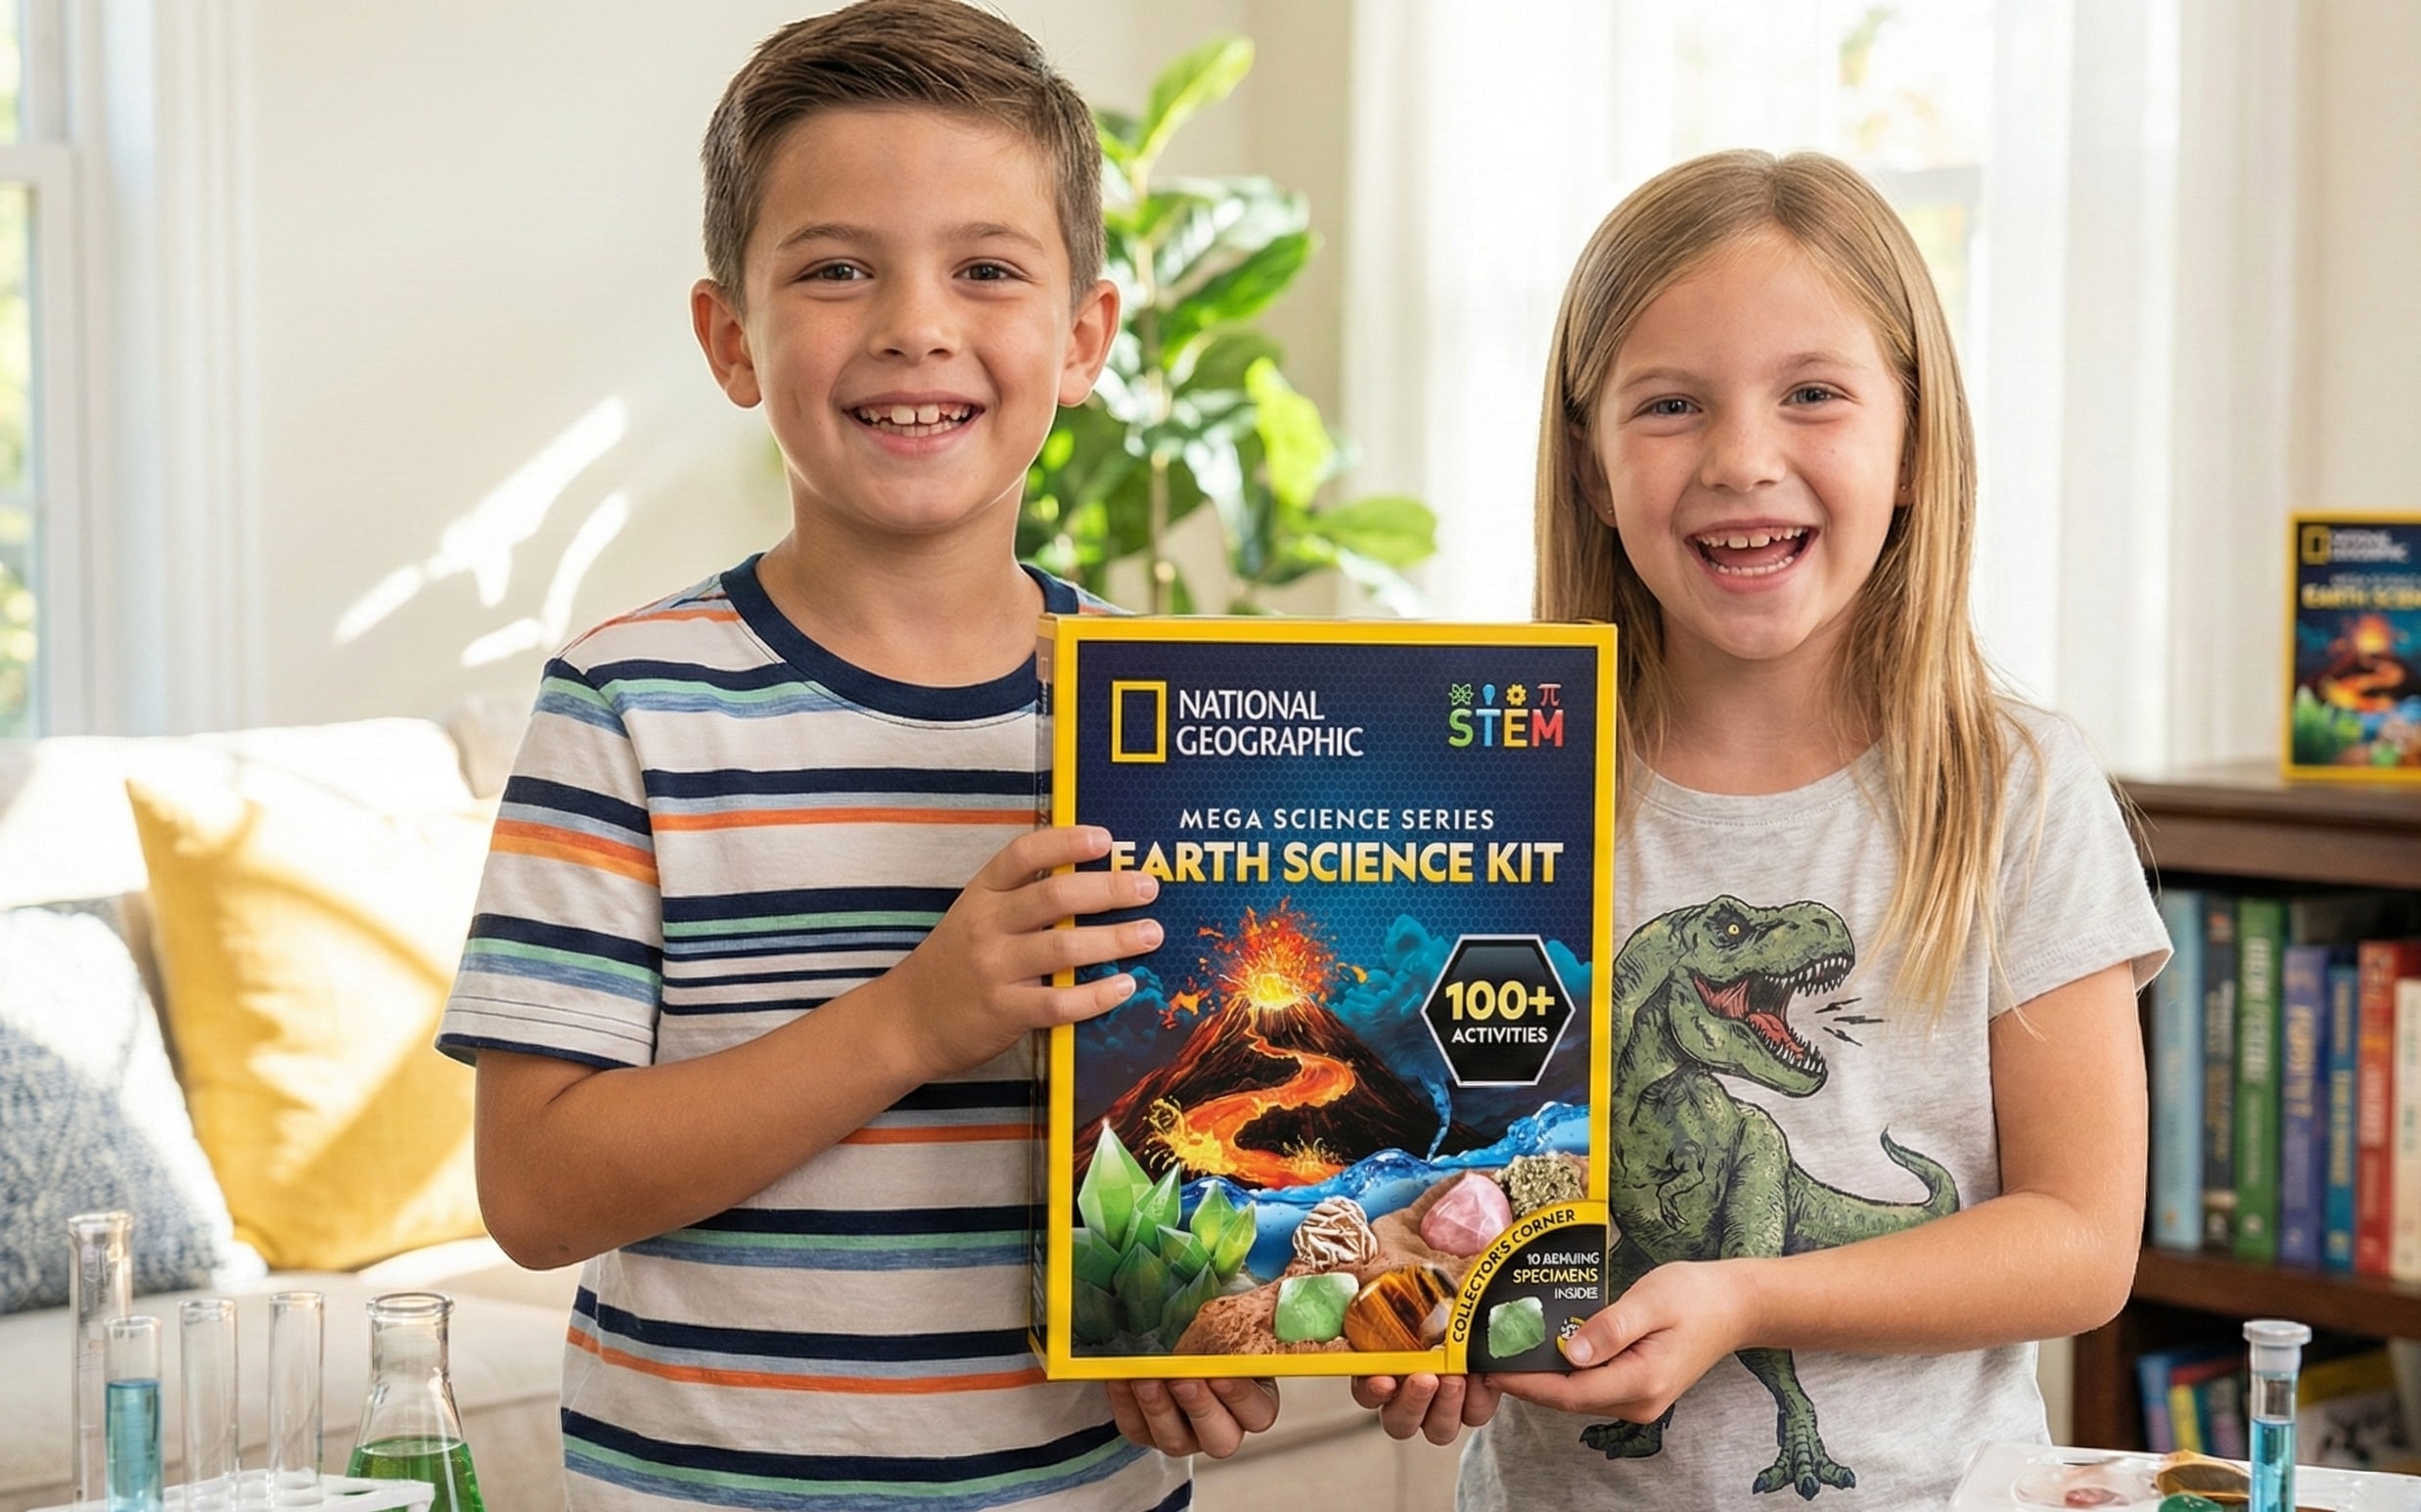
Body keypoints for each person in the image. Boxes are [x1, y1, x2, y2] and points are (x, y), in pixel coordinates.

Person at [435, 4, 1274, 1506]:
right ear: (731, 340)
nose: (914, 325)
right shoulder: (623, 708)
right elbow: (538, 1193)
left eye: (986, 269)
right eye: (836, 268)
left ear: (1083, 337)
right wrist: (914, 1018)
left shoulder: (1171, 719)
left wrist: (1208, 1328)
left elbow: (1208, 1152)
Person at [1354, 149, 2171, 1508]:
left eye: (1812, 394)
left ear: (1912, 444)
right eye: (1671, 404)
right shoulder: (1495, 794)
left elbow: (2081, 1246)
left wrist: (1745, 1294)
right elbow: (1453, 1175)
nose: (1742, 459)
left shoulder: (2016, 788)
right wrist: (1420, 1319)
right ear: (1592, 468)